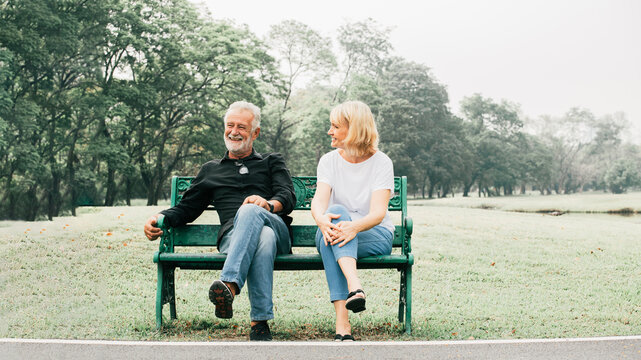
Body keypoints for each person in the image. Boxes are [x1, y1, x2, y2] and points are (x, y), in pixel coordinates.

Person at [143, 101, 295, 341]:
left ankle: (230, 285)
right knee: (260, 237)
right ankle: (259, 324)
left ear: (255, 133)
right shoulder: (211, 170)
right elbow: (187, 208)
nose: (234, 131)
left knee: (251, 212)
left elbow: (287, 195)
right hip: (233, 239)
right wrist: (159, 217)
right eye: (230, 125)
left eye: (242, 127)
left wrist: (267, 204)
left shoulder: (271, 162)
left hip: (277, 233)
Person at [311, 100, 395, 341]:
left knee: (334, 239)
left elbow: (378, 213)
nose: (330, 131)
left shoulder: (381, 162)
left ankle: (342, 323)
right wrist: (321, 220)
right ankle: (354, 286)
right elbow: (319, 202)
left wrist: (353, 228)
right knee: (336, 215)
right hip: (333, 230)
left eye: (335, 126)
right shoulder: (329, 161)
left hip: (374, 233)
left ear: (355, 129)